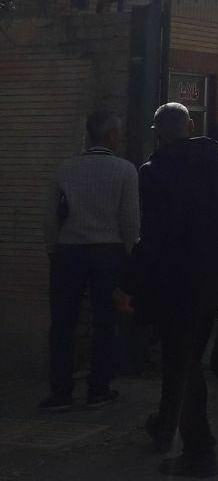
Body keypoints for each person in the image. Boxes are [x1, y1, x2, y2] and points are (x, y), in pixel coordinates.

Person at [118, 103, 218, 478]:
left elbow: (151, 236)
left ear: (158, 133)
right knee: (185, 361)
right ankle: (165, 427)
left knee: (181, 363)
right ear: (192, 125)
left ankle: (200, 451)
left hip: (175, 283)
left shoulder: (153, 172)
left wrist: (130, 284)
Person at [40, 111, 139, 413]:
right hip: (108, 252)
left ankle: (60, 391)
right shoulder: (125, 170)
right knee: (105, 321)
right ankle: (98, 388)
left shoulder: (65, 169)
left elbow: (50, 216)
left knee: (62, 322)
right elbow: (130, 220)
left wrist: (53, 248)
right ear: (111, 136)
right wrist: (130, 255)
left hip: (69, 251)